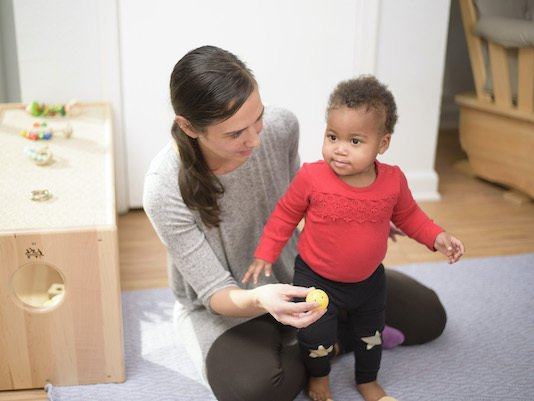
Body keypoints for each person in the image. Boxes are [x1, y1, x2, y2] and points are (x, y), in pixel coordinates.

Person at [143, 45, 450, 401]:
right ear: (188, 127)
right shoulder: (163, 187)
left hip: (303, 276)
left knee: (429, 317)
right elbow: (215, 293)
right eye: (235, 134)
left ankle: (322, 339)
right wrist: (261, 299)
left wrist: (364, 212)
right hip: (231, 306)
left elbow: (306, 201)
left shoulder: (281, 126)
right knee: (255, 390)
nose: (256, 139)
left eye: (258, 117)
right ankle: (327, 343)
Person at [242, 75, 465, 401]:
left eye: (355, 141)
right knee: (315, 339)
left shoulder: (392, 181)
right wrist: (265, 253)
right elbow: (285, 215)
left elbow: (410, 217)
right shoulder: (312, 177)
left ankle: (367, 381)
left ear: (382, 144)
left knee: (370, 335)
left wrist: (438, 236)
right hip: (315, 279)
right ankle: (319, 378)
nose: (340, 149)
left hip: (368, 282)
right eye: (333, 137)